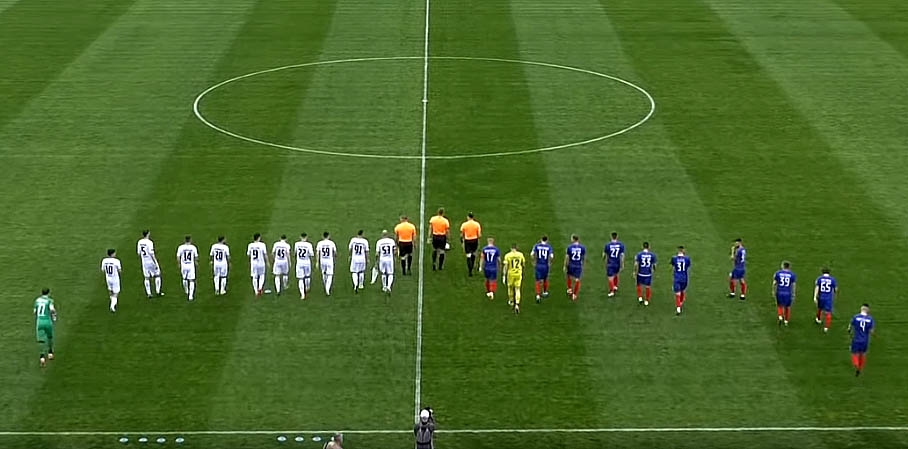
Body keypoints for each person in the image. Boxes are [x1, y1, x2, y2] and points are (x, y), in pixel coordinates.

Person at [848, 304, 875, 376]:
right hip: (865, 340)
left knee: (854, 353)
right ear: (867, 310)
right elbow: (872, 331)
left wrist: (850, 331)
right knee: (863, 354)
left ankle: (856, 365)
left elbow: (850, 327)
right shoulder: (870, 319)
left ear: (861, 309)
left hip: (856, 339)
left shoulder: (856, 317)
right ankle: (860, 368)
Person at [137, 229, 164, 298]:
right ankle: (158, 292)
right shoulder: (149, 242)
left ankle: (149, 294)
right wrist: (155, 262)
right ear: (148, 234)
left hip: (144, 262)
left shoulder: (139, 242)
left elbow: (139, 253)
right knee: (157, 275)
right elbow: (151, 253)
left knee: (146, 278)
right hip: (151, 261)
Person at [34, 288, 57, 367]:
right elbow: (52, 309)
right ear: (48, 293)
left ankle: (42, 357)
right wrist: (54, 317)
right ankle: (50, 353)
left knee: (41, 340)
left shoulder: (37, 300)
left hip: (39, 321)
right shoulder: (49, 301)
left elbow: (35, 311)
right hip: (47, 321)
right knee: (49, 337)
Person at [503, 243, 526, 314]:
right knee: (517, 289)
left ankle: (511, 301)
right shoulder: (520, 254)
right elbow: (523, 264)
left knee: (510, 287)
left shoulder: (508, 255)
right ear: (516, 248)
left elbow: (506, 266)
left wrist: (504, 275)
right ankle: (517, 304)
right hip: (518, 273)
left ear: (511, 249)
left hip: (511, 274)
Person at [814, 267, 838, 333]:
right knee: (828, 312)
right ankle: (826, 327)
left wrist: (815, 297)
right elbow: (835, 289)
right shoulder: (832, 279)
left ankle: (818, 319)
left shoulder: (819, 279)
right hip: (828, 298)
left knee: (820, 308)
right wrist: (834, 293)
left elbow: (817, 288)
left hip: (821, 297)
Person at [772, 261, 797, 326]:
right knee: (787, 307)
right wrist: (793, 293)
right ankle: (786, 321)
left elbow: (774, 283)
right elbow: (793, 285)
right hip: (788, 293)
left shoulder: (777, 273)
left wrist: (773, 291)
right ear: (789, 267)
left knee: (779, 305)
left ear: (783, 266)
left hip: (779, 292)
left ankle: (780, 316)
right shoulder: (792, 274)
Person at [530, 235, 554, 302]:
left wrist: (533, 261)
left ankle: (538, 295)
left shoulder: (536, 246)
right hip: (545, 265)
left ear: (541, 239)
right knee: (545, 279)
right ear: (547, 240)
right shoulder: (549, 247)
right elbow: (552, 256)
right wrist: (550, 262)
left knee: (537, 280)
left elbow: (532, 254)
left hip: (538, 265)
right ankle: (545, 292)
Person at [176, 235, 199, 302]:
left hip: (183, 265)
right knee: (192, 280)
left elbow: (178, 256)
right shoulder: (193, 247)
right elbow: (196, 257)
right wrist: (196, 262)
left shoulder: (181, 247)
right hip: (191, 266)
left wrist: (179, 264)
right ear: (190, 240)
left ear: (184, 240)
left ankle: (186, 290)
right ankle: (190, 296)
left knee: (184, 278)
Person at [564, 235, 586, 302]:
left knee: (568, 276)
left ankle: (570, 289)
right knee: (577, 280)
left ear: (573, 239)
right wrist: (583, 264)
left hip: (571, 265)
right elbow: (583, 257)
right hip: (578, 265)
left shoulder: (569, 247)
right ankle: (574, 294)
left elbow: (567, 257)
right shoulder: (582, 248)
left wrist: (565, 265)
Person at [634, 242, 657, 306]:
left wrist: (635, 271)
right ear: (649, 247)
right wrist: (654, 270)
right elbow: (654, 265)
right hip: (648, 274)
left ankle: (640, 297)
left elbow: (636, 264)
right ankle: (646, 300)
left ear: (642, 247)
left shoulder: (639, 254)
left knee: (639, 285)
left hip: (640, 273)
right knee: (647, 287)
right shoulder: (652, 255)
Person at [603, 232, 625, 297]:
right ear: (617, 237)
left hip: (610, 263)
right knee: (616, 274)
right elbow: (622, 255)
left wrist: (604, 260)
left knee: (610, 278)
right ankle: (615, 286)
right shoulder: (621, 245)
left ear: (611, 237)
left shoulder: (607, 245)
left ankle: (612, 291)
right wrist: (622, 264)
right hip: (617, 263)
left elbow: (604, 255)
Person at [670, 246, 691, 315]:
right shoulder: (687, 259)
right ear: (683, 251)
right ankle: (680, 303)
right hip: (684, 278)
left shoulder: (674, 258)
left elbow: (673, 266)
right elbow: (688, 267)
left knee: (677, 293)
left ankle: (678, 307)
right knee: (682, 291)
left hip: (677, 278)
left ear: (678, 251)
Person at [294, 233, 315, 300]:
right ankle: (307, 287)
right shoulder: (309, 244)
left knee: (300, 279)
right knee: (307, 276)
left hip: (299, 263)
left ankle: (302, 295)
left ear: (300, 237)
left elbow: (295, 253)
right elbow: (311, 254)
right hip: (307, 262)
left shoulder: (297, 244)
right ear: (306, 237)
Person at [101, 249, 122, 313]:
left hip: (108, 278)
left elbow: (103, 270)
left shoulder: (104, 260)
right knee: (116, 292)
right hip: (115, 279)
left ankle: (113, 301)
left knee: (110, 290)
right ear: (112, 254)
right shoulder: (116, 261)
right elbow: (119, 270)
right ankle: (112, 306)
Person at [316, 232, 337, 296]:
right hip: (329, 261)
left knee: (324, 273)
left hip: (322, 261)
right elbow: (335, 253)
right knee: (330, 275)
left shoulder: (320, 243)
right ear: (328, 236)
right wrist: (335, 256)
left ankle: (325, 285)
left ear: (322, 236)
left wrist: (317, 262)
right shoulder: (331, 243)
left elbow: (317, 253)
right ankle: (327, 289)